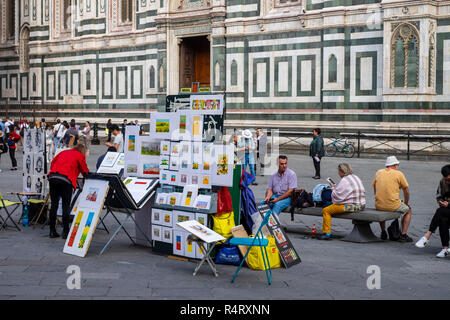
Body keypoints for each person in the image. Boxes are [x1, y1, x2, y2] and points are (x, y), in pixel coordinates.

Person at [47, 144, 89, 239]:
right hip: (66, 180)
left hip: (53, 177)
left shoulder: (63, 152)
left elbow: (53, 164)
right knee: (66, 205)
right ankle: (65, 231)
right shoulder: (80, 156)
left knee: (54, 205)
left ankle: (52, 231)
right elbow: (85, 171)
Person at [317, 163, 366, 240]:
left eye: (338, 171)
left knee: (326, 210)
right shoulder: (356, 177)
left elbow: (337, 196)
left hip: (352, 207)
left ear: (342, 171)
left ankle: (326, 233)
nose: (338, 173)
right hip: (362, 205)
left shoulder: (344, 180)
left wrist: (333, 188)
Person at [372, 156, 412, 242]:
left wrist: (377, 197)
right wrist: (406, 202)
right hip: (393, 205)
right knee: (408, 211)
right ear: (394, 165)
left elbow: (374, 186)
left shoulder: (379, 172)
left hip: (379, 204)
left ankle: (383, 232)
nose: (397, 167)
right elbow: (406, 191)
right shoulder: (399, 174)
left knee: (382, 209)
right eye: (397, 165)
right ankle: (404, 234)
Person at [415, 164, 450, 258]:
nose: (448, 181)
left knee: (440, 212)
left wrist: (448, 204)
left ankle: (427, 235)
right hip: (446, 210)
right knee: (442, 219)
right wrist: (441, 202)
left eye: (449, 179)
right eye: (446, 179)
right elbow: (438, 195)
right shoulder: (442, 182)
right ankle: (445, 248)